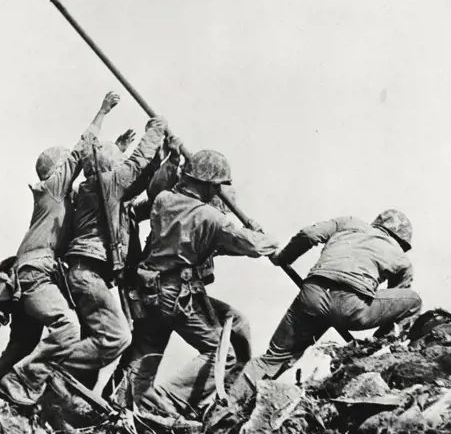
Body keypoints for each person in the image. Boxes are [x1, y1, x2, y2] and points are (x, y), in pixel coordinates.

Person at [127, 149, 279, 415]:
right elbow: (252, 246)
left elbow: (209, 241)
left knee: (145, 355)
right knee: (223, 354)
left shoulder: (164, 200)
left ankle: (124, 405)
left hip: (150, 289)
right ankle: (165, 401)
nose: (218, 191)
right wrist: (264, 236)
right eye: (217, 185)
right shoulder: (210, 217)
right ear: (209, 184)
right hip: (177, 293)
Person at [226, 208, 422, 409]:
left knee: (272, 359)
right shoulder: (401, 259)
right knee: (413, 301)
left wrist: (283, 258)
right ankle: (380, 349)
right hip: (352, 307)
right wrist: (378, 341)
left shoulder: (349, 223)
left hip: (312, 296)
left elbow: (308, 234)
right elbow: (395, 304)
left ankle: (228, 406)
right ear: (402, 241)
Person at [0, 91, 120, 406]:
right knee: (67, 327)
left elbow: (98, 172)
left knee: (21, 343)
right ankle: (22, 383)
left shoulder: (62, 201)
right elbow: (81, 153)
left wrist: (118, 147)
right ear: (55, 171)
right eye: (64, 166)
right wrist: (102, 112)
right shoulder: (51, 190)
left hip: (36, 274)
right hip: (35, 273)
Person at [57, 115, 168, 389]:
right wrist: (155, 131)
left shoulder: (103, 194)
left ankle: (68, 399)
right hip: (88, 274)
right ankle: (48, 367)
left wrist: (162, 159)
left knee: (94, 344)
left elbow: (140, 183)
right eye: (117, 162)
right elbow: (135, 165)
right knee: (116, 337)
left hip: (88, 274)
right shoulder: (104, 185)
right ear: (109, 168)